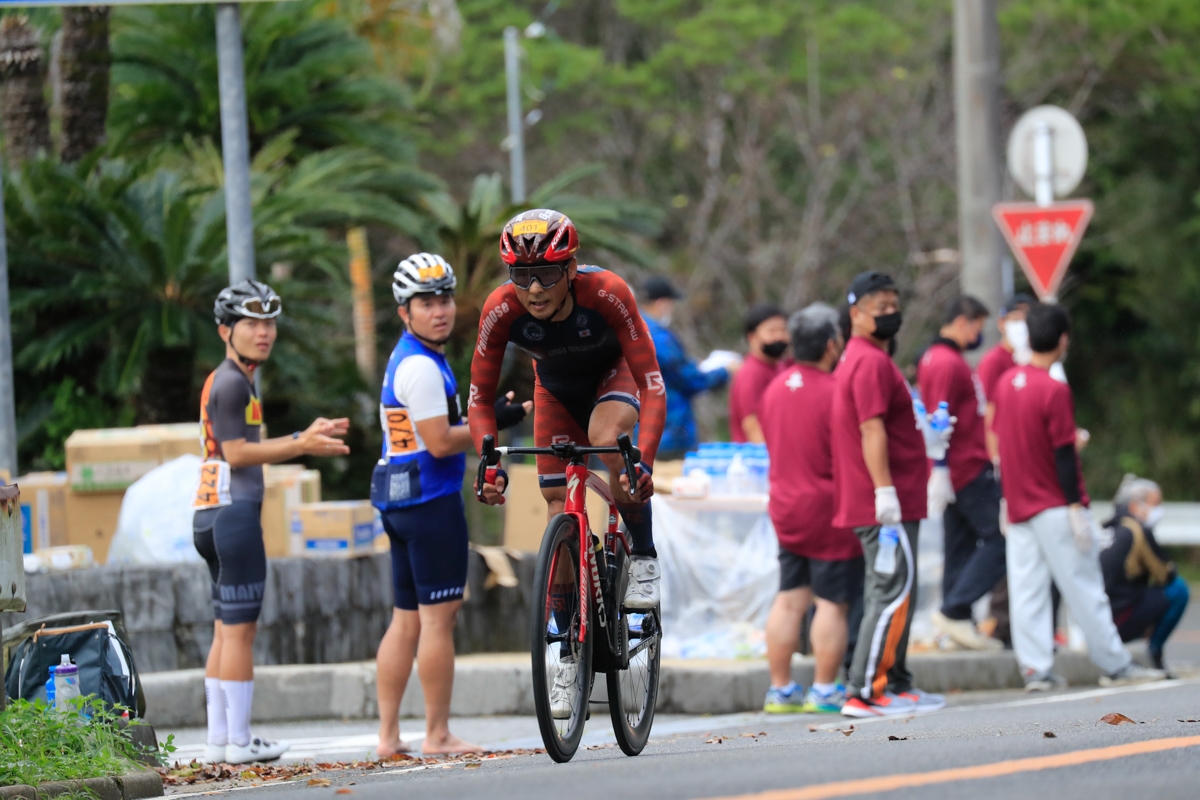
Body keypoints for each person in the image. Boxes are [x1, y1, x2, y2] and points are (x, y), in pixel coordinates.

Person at [468, 210, 666, 715]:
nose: (533, 289)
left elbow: (652, 385)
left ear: (572, 268)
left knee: (606, 444)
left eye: (547, 275)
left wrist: (642, 461)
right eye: (521, 276)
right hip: (555, 389)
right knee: (559, 505)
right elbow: (480, 399)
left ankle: (642, 556)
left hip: (613, 377)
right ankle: (565, 651)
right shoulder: (500, 308)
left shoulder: (607, 293)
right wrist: (488, 462)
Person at [372, 254, 530, 757]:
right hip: (430, 499)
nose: (438, 311)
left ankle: (388, 737)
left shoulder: (408, 357)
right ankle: (437, 734)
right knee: (438, 620)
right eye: (425, 302)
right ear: (404, 311)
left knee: (406, 619)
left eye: (443, 300)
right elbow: (439, 441)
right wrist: (495, 424)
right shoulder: (420, 366)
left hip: (398, 498)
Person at [195, 280, 350, 764]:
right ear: (225, 330)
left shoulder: (232, 378)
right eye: (250, 323)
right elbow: (238, 453)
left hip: (211, 514)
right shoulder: (232, 381)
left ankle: (221, 739)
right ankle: (240, 741)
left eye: (269, 323)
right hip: (233, 516)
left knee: (226, 631)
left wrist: (301, 439)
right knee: (239, 632)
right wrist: (302, 442)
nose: (263, 332)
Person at [992, 302, 1165, 690]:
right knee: (1084, 587)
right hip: (1055, 504)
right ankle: (1115, 664)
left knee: (1027, 590)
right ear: (1063, 339)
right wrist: (1075, 505)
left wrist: (1005, 495)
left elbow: (1003, 441)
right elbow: (1063, 454)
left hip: (1018, 504)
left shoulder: (1006, 383)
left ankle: (1035, 669)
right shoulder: (1054, 389)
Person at [832, 271, 944, 718]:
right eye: (880, 307)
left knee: (898, 588)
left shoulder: (870, 358)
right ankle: (864, 690)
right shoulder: (869, 361)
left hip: (894, 497)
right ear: (856, 314)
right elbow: (870, 428)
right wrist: (884, 490)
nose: (890, 314)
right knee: (891, 590)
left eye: (894, 305)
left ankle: (895, 681)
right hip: (882, 503)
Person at [759, 304, 862, 714]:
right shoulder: (838, 390)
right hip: (829, 508)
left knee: (789, 599)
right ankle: (823, 688)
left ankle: (780, 689)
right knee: (831, 602)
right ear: (833, 344)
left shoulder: (775, 388)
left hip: (785, 506)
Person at [917, 295, 1005, 651]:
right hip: (965, 465)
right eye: (977, 326)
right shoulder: (944, 362)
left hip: (960, 465)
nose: (978, 334)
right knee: (1001, 538)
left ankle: (955, 619)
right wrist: (938, 467)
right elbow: (937, 418)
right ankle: (955, 609)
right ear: (963, 322)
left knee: (960, 545)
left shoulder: (946, 359)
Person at [1100, 475, 1190, 675]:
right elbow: (1165, 574)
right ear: (1135, 505)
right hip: (1119, 619)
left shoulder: (1107, 529)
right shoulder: (1137, 529)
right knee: (1179, 589)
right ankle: (1154, 652)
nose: (1158, 510)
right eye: (1155, 504)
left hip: (1096, 618)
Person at [641, 276, 735, 459]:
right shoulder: (659, 336)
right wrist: (725, 371)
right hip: (669, 433)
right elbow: (689, 380)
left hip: (644, 430)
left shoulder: (632, 328)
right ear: (662, 303)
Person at [728, 304, 789, 443]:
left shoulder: (780, 366)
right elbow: (752, 425)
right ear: (752, 337)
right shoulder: (751, 373)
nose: (780, 336)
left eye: (783, 330)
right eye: (772, 331)